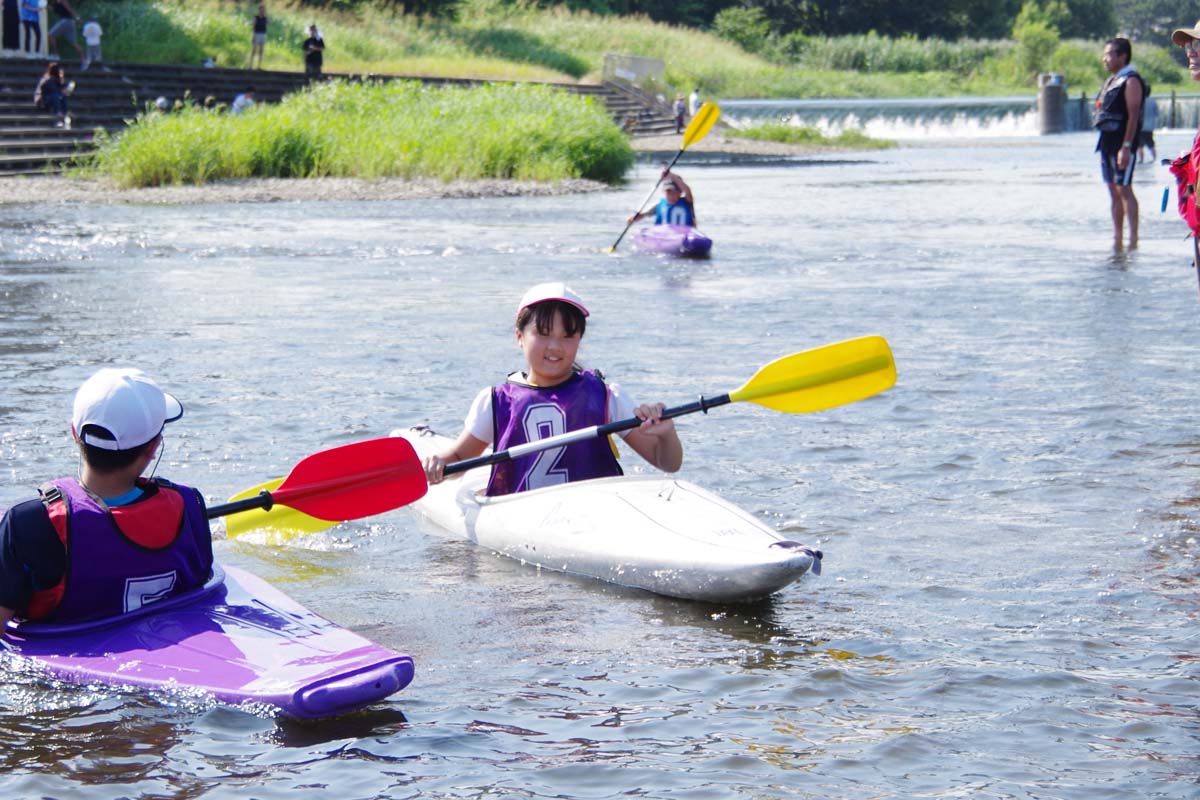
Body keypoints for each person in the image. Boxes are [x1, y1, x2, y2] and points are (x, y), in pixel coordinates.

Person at [422, 282, 684, 496]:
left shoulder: (606, 396)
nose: (555, 347)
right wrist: (440, 464)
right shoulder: (496, 401)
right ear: (519, 337)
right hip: (521, 518)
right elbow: (459, 457)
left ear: (579, 340)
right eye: (543, 333)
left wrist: (666, 433)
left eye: (567, 337)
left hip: (594, 518)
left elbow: (667, 462)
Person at [0, 368, 213, 629]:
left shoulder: (29, 522)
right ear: (153, 446)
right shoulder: (190, 505)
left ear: (74, 433)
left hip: (58, 663)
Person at [1093, 37, 1144, 250]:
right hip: (1106, 143)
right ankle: (1117, 238)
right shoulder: (1112, 80)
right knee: (1112, 190)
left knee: (1125, 189)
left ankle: (1133, 238)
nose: (1105, 59)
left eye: (1109, 54)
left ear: (1122, 56)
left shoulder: (1131, 80)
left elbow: (1133, 116)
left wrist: (1126, 147)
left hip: (1122, 144)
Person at [628, 169, 696, 227]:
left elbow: (687, 191)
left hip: (684, 238)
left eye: (674, 193)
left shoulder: (687, 202)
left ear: (680, 193)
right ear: (664, 192)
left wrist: (672, 176)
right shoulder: (660, 205)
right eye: (668, 193)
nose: (671, 196)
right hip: (664, 238)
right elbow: (643, 215)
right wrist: (634, 218)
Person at [34, 62, 72, 128]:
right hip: (42, 101)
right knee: (55, 96)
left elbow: (62, 91)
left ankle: (65, 114)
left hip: (52, 99)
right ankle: (57, 119)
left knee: (63, 96)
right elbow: (54, 90)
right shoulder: (47, 79)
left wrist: (67, 89)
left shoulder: (58, 79)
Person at [47, 0, 84, 65]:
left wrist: (77, 18)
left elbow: (70, 9)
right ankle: (84, 60)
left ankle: (55, 55)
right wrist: (45, 6)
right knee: (74, 42)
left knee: (50, 35)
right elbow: (53, 10)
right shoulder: (55, 4)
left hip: (65, 21)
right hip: (70, 22)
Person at [1139, 91, 1157, 164]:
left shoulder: (1139, 101)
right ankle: (1154, 159)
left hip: (1140, 127)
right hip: (1150, 127)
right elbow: (1156, 114)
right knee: (1151, 144)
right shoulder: (1153, 102)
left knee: (1140, 145)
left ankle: (1141, 160)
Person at [249, 3, 267, 70]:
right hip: (257, 34)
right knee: (254, 50)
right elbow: (253, 26)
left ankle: (259, 66)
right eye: (261, 9)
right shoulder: (256, 17)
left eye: (263, 10)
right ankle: (250, 65)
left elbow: (269, 22)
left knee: (261, 51)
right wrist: (253, 35)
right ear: (259, 10)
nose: (262, 11)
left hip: (263, 34)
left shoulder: (265, 18)